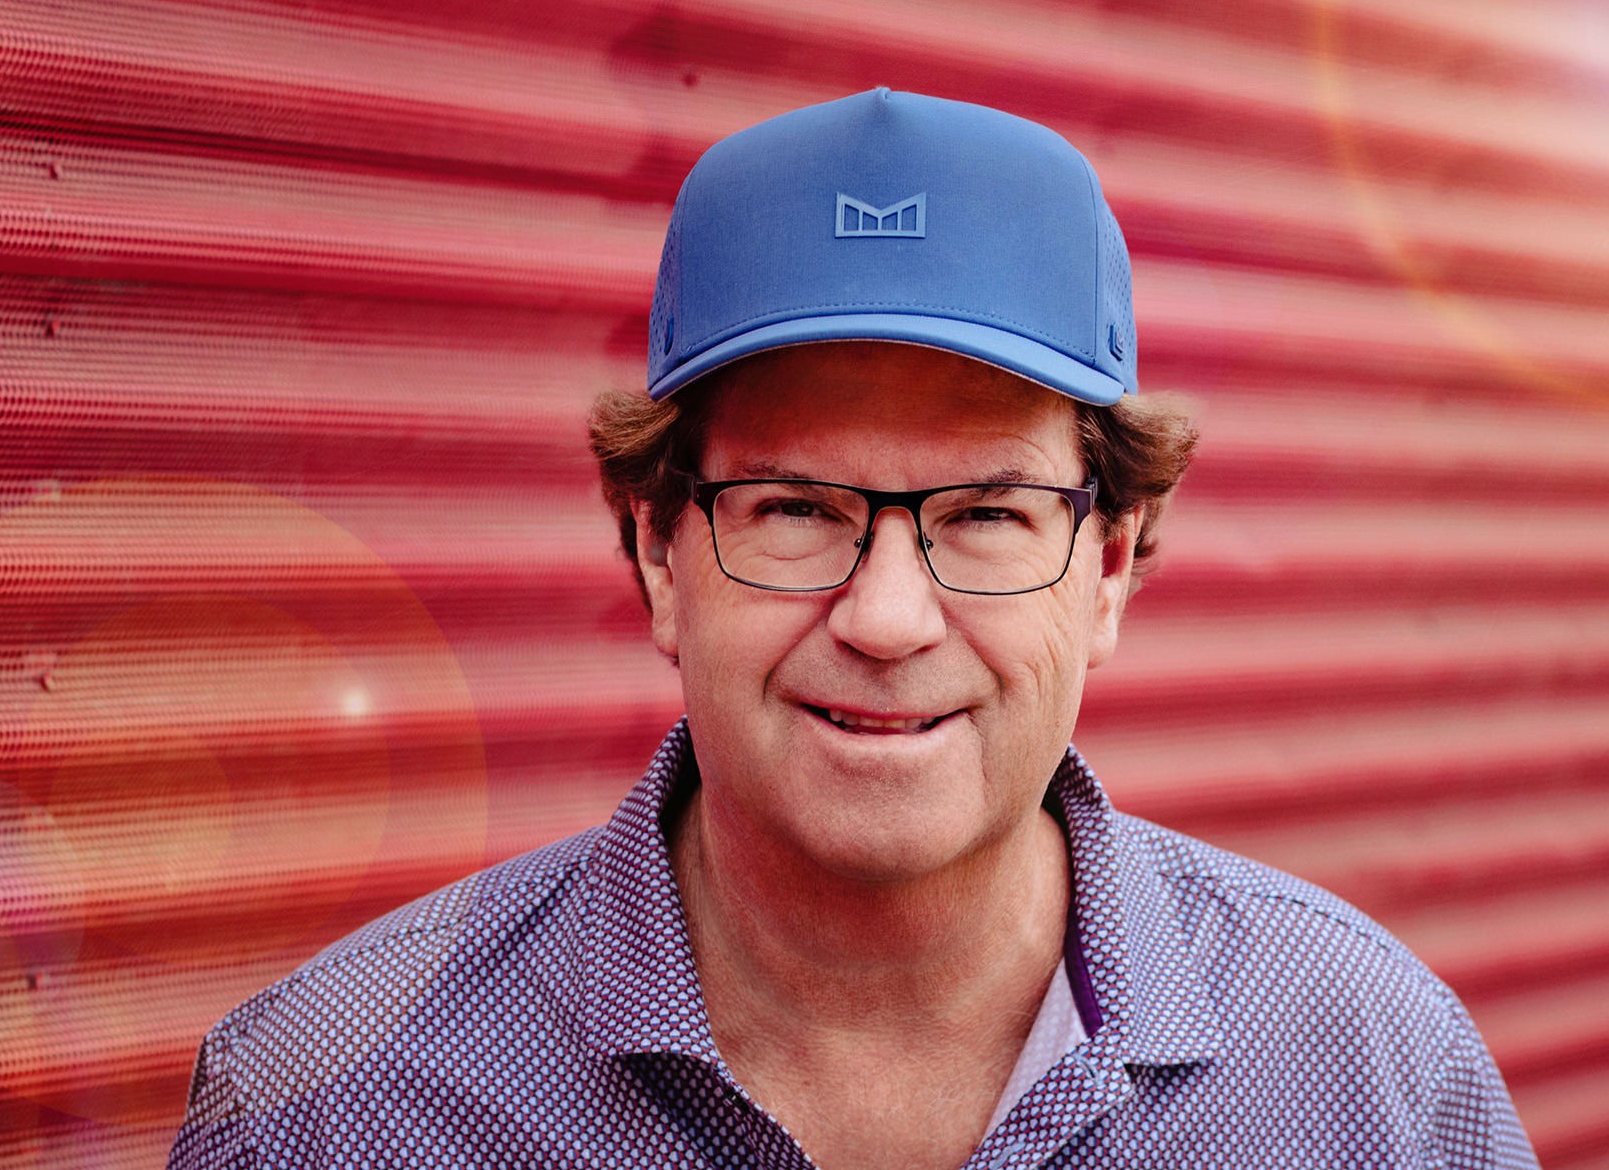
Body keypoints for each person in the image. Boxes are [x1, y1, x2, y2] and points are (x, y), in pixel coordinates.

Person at [168, 89, 1537, 1169]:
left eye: (988, 515)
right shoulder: (327, 1109)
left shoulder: (1369, 1071)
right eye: (794, 510)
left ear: (1110, 568)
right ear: (657, 553)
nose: (886, 619)